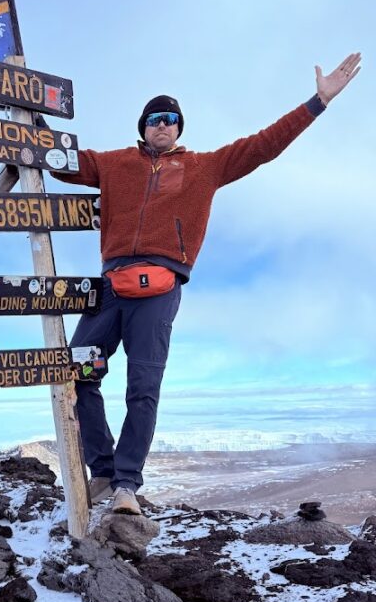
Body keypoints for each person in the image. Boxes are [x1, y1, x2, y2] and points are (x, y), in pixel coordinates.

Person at [50, 54, 361, 516]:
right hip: (110, 286)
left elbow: (264, 145)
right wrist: (30, 119)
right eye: (156, 118)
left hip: (159, 289)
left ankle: (126, 485)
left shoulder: (204, 167)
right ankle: (102, 469)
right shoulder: (113, 164)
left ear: (179, 128)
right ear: (144, 126)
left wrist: (318, 101)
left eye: (172, 119)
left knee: (143, 388)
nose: (164, 125)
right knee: (77, 374)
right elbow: (61, 164)